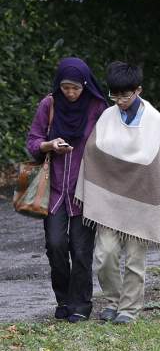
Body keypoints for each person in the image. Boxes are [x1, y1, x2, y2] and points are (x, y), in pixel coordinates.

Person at [76, 61, 160, 324]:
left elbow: (153, 162)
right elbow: (93, 152)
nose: (119, 101)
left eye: (125, 95)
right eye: (115, 95)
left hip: (140, 199)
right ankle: (112, 300)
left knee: (134, 259)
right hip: (109, 200)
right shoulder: (107, 116)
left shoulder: (153, 118)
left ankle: (129, 309)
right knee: (104, 255)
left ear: (138, 90)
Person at [25, 57, 107, 322]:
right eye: (65, 88)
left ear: (85, 84)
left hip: (86, 190)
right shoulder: (49, 104)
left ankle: (81, 305)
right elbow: (33, 141)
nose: (70, 93)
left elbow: (109, 143)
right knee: (56, 245)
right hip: (55, 190)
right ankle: (63, 299)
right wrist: (49, 145)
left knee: (81, 250)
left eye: (76, 88)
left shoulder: (97, 107)